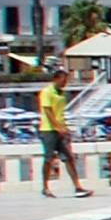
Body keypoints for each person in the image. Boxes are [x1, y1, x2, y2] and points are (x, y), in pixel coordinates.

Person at [36, 68, 87, 198]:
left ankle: (77, 186)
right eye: (63, 80)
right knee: (49, 158)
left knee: (68, 158)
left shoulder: (61, 93)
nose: (65, 83)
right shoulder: (47, 92)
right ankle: (45, 187)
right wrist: (58, 127)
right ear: (56, 79)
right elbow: (48, 112)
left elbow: (60, 113)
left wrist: (65, 128)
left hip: (60, 130)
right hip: (48, 130)